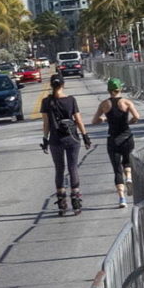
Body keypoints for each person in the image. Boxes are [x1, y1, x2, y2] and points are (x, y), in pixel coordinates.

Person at [40, 75, 88, 214]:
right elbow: (78, 120)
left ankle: (62, 202)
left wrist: (45, 138)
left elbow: (46, 123)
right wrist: (85, 136)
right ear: (63, 85)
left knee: (59, 169)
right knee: (73, 168)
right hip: (72, 138)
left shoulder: (46, 102)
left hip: (55, 140)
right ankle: (76, 200)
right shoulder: (71, 100)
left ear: (51, 85)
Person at [92, 79, 142, 201]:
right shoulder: (126, 102)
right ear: (120, 89)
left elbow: (94, 121)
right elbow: (137, 117)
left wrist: (103, 119)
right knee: (127, 161)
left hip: (113, 139)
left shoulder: (104, 104)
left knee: (117, 169)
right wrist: (130, 122)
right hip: (127, 136)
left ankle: (122, 198)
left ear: (108, 90)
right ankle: (129, 178)